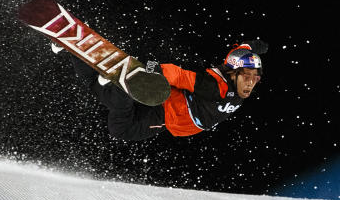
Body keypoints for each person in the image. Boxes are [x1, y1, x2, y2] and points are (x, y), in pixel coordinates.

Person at [64, 40, 267, 140]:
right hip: (170, 114)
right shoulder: (215, 88)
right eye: (246, 77)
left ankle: (72, 49)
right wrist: (153, 70)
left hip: (171, 105)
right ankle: (120, 89)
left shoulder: (234, 74)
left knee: (103, 95)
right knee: (121, 129)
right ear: (233, 74)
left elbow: (236, 53)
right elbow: (180, 76)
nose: (250, 83)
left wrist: (251, 47)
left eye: (255, 78)